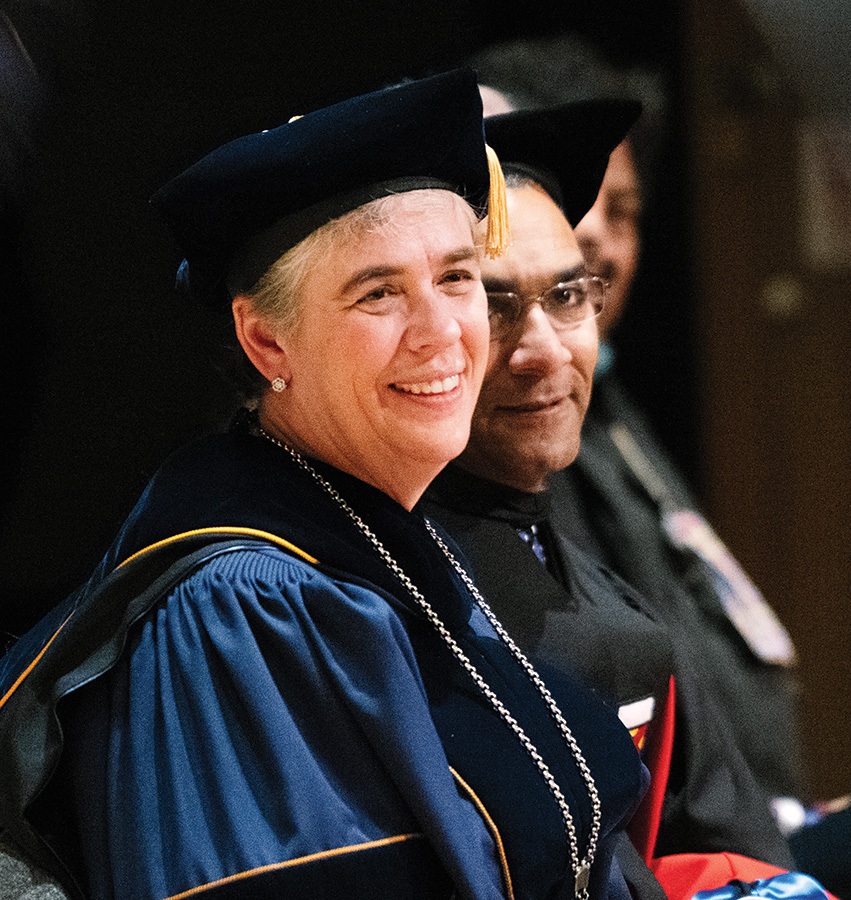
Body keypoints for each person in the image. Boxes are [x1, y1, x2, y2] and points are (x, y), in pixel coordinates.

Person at [0, 70, 652, 900]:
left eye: (457, 279)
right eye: (378, 293)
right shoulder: (240, 608)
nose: (441, 333)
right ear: (268, 345)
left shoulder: (393, 541)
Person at [422, 100, 796, 874]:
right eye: (492, 306)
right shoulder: (370, 589)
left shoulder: (580, 570)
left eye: (566, 298)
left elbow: (728, 839)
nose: (544, 353)